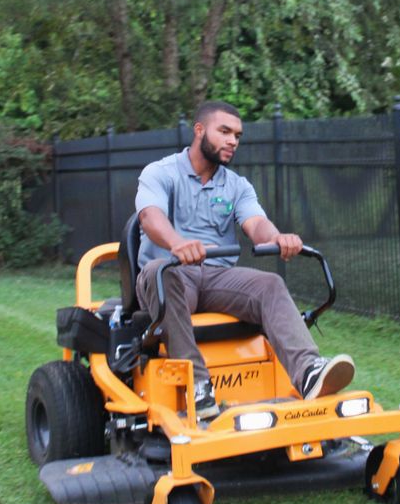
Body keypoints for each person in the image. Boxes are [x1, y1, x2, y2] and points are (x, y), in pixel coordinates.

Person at [134, 100, 355, 418]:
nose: (232, 141)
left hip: (215, 277)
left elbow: (256, 224)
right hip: (170, 273)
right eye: (224, 131)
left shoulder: (237, 186)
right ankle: (198, 387)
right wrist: (177, 243)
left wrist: (277, 237)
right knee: (160, 271)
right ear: (199, 130)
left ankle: (309, 373)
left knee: (270, 284)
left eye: (237, 135)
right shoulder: (160, 173)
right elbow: (150, 217)